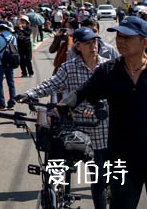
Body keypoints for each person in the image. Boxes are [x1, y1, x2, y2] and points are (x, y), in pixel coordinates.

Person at [18, 27, 109, 209]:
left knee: (98, 180)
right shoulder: (69, 67)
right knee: (58, 167)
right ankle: (59, 195)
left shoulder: (107, 66)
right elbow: (51, 84)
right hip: (75, 126)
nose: (93, 46)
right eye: (88, 43)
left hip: (101, 127)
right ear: (78, 46)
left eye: (95, 42)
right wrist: (28, 94)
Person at [63, 16, 147, 208]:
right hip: (122, 158)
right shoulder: (109, 70)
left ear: (145, 42)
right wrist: (61, 108)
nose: (120, 41)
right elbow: (81, 93)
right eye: (118, 36)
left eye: (127, 37)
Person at [0, 21, 18, 109]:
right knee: (11, 83)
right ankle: (12, 102)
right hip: (10, 62)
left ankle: (1, 104)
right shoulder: (13, 37)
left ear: (0, 29)